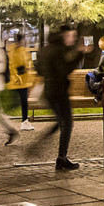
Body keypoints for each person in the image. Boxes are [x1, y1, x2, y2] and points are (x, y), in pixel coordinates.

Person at [37, 23, 89, 170]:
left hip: (51, 91)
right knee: (67, 123)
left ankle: (54, 152)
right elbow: (65, 70)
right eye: (71, 36)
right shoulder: (57, 50)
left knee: (62, 122)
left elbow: (39, 69)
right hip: (58, 92)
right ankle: (61, 158)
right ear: (64, 35)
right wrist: (80, 54)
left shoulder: (49, 48)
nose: (73, 39)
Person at [7, 32, 35, 129]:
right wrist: (18, 76)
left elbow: (28, 63)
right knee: (19, 102)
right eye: (22, 41)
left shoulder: (22, 50)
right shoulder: (14, 51)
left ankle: (24, 121)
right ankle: (7, 118)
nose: (23, 42)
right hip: (18, 81)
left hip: (24, 80)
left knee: (23, 102)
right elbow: (13, 66)